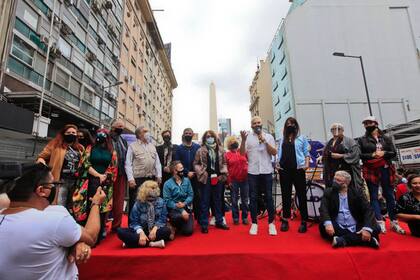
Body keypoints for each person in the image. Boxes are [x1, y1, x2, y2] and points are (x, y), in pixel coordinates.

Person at [0, 163, 106, 279]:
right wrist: (96, 203)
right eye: (53, 184)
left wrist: (75, 243)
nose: (55, 188)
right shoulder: (55, 218)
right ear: (41, 190)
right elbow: (91, 236)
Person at [358, 116, 405, 234]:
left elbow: (394, 153)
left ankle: (394, 221)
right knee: (373, 196)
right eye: (365, 123)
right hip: (370, 169)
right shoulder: (362, 140)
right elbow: (360, 155)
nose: (367, 125)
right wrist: (372, 155)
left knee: (389, 195)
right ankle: (379, 222)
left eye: (369, 123)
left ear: (376, 123)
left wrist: (384, 153)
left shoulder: (386, 138)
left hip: (386, 168)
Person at [72, 129, 118, 243]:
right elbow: (85, 163)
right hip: (89, 181)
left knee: (102, 209)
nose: (101, 136)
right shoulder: (89, 148)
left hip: (105, 183)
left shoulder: (112, 151)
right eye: (99, 134)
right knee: (88, 206)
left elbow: (114, 167)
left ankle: (98, 234)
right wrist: (98, 175)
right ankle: (85, 234)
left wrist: (105, 176)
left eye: (104, 134)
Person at [319, 170, 380, 248]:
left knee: (376, 228)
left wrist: (367, 229)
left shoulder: (357, 192)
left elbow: (368, 210)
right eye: (334, 179)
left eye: (338, 180)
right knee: (323, 226)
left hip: (356, 225)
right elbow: (323, 209)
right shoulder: (328, 192)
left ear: (346, 183)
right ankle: (367, 241)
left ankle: (343, 240)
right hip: (337, 226)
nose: (334, 182)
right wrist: (328, 224)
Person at [240, 116, 277, 235]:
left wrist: (265, 141)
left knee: (269, 197)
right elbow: (241, 154)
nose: (257, 125)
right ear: (251, 125)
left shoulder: (269, 136)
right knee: (253, 197)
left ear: (262, 124)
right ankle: (254, 223)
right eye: (254, 123)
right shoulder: (248, 138)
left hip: (266, 171)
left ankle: (271, 223)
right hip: (253, 172)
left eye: (259, 122)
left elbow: (274, 152)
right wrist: (243, 140)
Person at [37, 124, 84, 206]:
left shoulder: (80, 148)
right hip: (60, 180)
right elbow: (42, 157)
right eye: (68, 132)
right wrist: (43, 167)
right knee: (59, 204)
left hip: (76, 182)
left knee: (73, 206)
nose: (71, 134)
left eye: (73, 132)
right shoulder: (55, 144)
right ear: (63, 133)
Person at [277, 117, 310, 233]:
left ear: (296, 125)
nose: (290, 125)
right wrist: (277, 164)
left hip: (298, 169)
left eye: (292, 123)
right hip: (284, 170)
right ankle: (285, 220)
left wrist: (306, 165)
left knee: (301, 195)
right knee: (285, 195)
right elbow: (278, 153)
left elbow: (307, 153)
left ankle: (304, 221)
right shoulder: (282, 139)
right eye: (288, 124)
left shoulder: (301, 138)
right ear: (285, 126)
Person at [117, 180, 171, 248]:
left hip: (155, 231)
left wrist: (154, 229)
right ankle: (153, 244)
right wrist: (141, 233)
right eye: (151, 188)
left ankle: (132, 244)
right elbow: (134, 222)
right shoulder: (138, 203)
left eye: (154, 188)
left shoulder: (161, 201)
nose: (153, 190)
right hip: (141, 230)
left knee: (167, 231)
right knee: (120, 231)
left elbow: (162, 219)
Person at [194, 130, 229, 233]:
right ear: (204, 138)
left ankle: (219, 221)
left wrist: (223, 174)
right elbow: (196, 163)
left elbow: (225, 163)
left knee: (218, 201)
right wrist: (202, 173)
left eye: (211, 136)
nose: (209, 138)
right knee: (205, 201)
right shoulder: (200, 150)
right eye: (207, 136)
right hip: (206, 179)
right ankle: (204, 224)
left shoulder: (221, 150)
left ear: (215, 137)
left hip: (218, 179)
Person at [125, 126, 162, 222]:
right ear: (139, 134)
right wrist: (130, 179)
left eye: (147, 131)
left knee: (150, 202)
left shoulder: (152, 146)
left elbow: (157, 163)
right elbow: (128, 163)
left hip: (150, 179)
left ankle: (147, 224)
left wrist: (159, 175)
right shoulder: (132, 146)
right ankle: (133, 225)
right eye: (145, 131)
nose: (148, 133)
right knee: (135, 202)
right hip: (137, 179)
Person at [320, 123, 363, 189]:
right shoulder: (329, 142)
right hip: (330, 172)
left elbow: (356, 155)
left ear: (343, 130)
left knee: (346, 190)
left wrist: (341, 156)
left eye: (338, 129)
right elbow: (326, 154)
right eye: (333, 129)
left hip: (345, 171)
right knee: (332, 192)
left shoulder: (350, 141)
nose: (335, 130)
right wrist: (322, 157)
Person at [174, 128, 201, 220]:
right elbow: (177, 162)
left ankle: (198, 216)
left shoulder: (197, 147)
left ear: (193, 135)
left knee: (197, 196)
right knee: (183, 196)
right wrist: (186, 172)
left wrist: (195, 171)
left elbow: (201, 161)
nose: (188, 134)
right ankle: (185, 215)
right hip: (183, 176)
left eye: (190, 133)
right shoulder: (179, 148)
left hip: (196, 175)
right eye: (186, 133)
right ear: (183, 134)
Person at [163, 161, 194, 236]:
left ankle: (177, 227)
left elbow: (191, 195)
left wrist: (184, 204)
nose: (183, 170)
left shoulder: (187, 180)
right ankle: (171, 224)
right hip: (174, 210)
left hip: (186, 207)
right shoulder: (167, 184)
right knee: (177, 217)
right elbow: (167, 200)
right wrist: (179, 208)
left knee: (188, 232)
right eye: (181, 168)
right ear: (174, 171)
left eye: (183, 168)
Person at [225, 136, 249, 225]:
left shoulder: (242, 151)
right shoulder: (227, 155)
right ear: (228, 145)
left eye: (235, 141)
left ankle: (245, 217)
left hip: (245, 179)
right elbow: (226, 169)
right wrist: (228, 181)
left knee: (245, 200)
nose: (233, 143)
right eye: (231, 142)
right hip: (233, 180)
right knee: (234, 200)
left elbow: (249, 161)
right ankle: (235, 217)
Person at [109, 119, 128, 232]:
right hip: (108, 174)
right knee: (107, 200)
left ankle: (116, 225)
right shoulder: (107, 138)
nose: (121, 128)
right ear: (113, 127)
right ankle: (103, 224)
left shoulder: (123, 140)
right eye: (119, 126)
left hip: (121, 174)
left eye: (122, 126)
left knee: (119, 200)